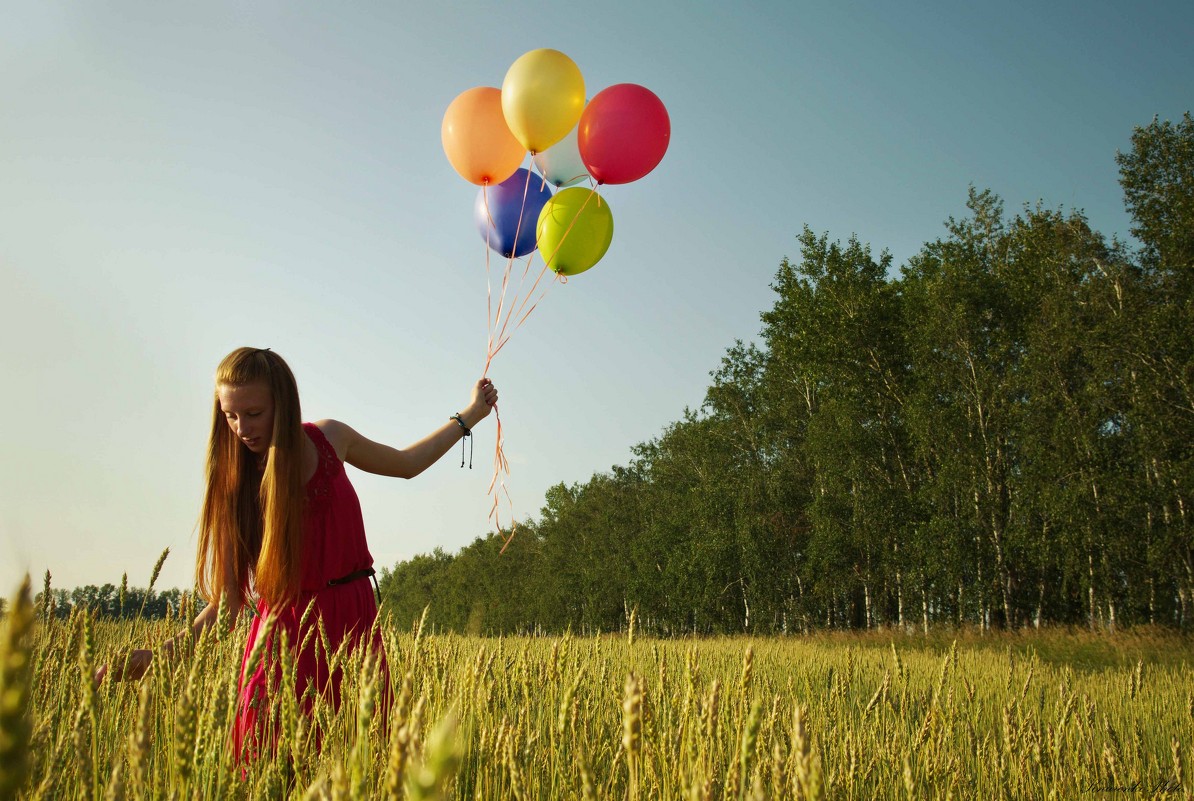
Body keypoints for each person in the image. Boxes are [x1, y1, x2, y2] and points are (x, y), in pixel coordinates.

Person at [97, 346, 497, 758]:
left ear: (283, 405)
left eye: (254, 413)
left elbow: (405, 463)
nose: (241, 428)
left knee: (363, 766)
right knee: (274, 770)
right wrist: (160, 656)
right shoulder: (235, 487)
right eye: (229, 415)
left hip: (354, 631)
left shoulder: (330, 438)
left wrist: (470, 414)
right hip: (282, 647)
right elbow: (228, 605)